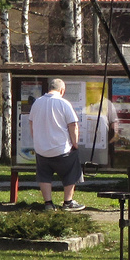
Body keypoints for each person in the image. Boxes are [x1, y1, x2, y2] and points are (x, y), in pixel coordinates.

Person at [30, 79, 84, 210]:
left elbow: (31, 123)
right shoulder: (63, 103)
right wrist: (75, 143)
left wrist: (37, 141)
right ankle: (68, 202)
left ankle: (48, 203)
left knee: (44, 175)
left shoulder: (37, 103)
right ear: (62, 90)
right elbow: (73, 125)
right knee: (71, 172)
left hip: (42, 149)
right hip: (61, 149)